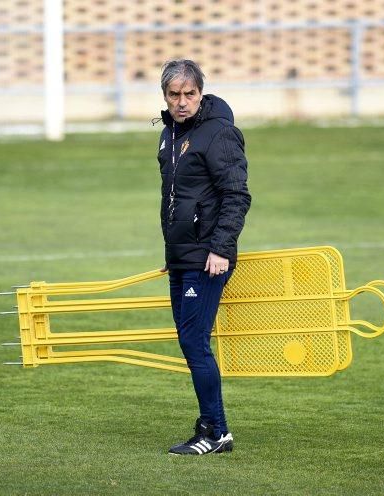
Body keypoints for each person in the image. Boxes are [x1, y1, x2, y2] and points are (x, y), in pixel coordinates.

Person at [156, 59, 251, 455]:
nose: (181, 102)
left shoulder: (219, 134)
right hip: (183, 256)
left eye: (189, 94)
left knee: (195, 343)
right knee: (190, 342)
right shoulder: (168, 135)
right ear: (165, 95)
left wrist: (220, 249)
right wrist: (174, 252)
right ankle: (216, 428)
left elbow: (236, 196)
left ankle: (215, 431)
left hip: (208, 258)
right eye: (174, 95)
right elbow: (176, 200)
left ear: (201, 93)